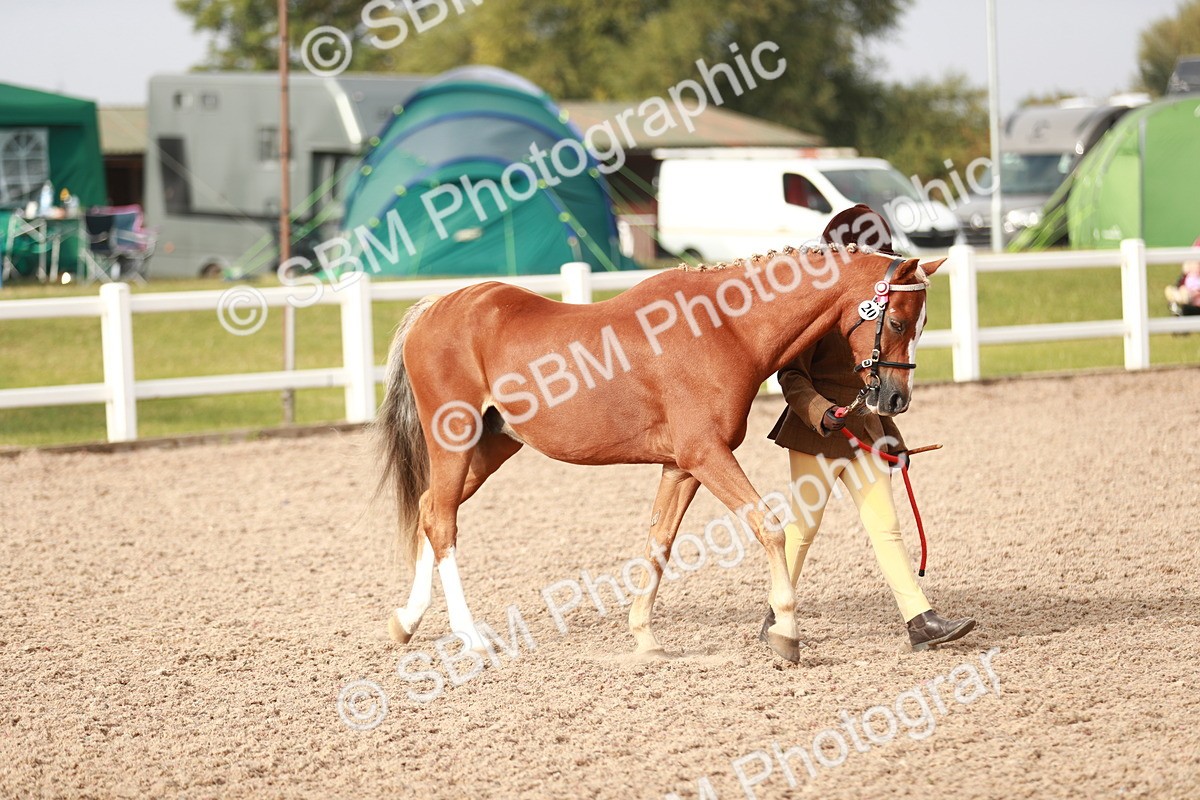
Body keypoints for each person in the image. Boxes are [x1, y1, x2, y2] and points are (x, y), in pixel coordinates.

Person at [761, 206, 975, 652]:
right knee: (804, 527)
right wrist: (821, 412)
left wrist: (893, 439)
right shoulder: (812, 311)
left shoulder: (874, 314)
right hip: (816, 435)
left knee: (887, 526)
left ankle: (920, 620)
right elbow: (791, 377)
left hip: (865, 433)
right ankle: (777, 614)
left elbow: (875, 381)